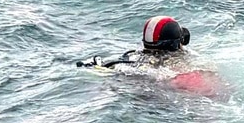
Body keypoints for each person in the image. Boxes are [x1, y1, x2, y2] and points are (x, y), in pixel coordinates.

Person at [77, 16, 226, 97]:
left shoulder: (127, 61)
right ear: (178, 42)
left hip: (139, 94)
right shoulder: (190, 68)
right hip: (173, 101)